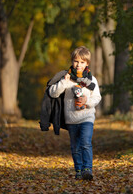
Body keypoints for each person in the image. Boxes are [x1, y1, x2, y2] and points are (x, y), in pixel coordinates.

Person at [48, 46, 101, 180]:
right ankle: (78, 170)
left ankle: (87, 169)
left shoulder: (92, 80)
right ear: (72, 61)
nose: (79, 65)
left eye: (82, 62)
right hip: (71, 119)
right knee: (75, 147)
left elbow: (97, 97)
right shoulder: (66, 78)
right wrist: (64, 83)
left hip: (87, 117)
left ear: (87, 64)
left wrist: (86, 100)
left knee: (85, 142)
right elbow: (52, 93)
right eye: (76, 61)